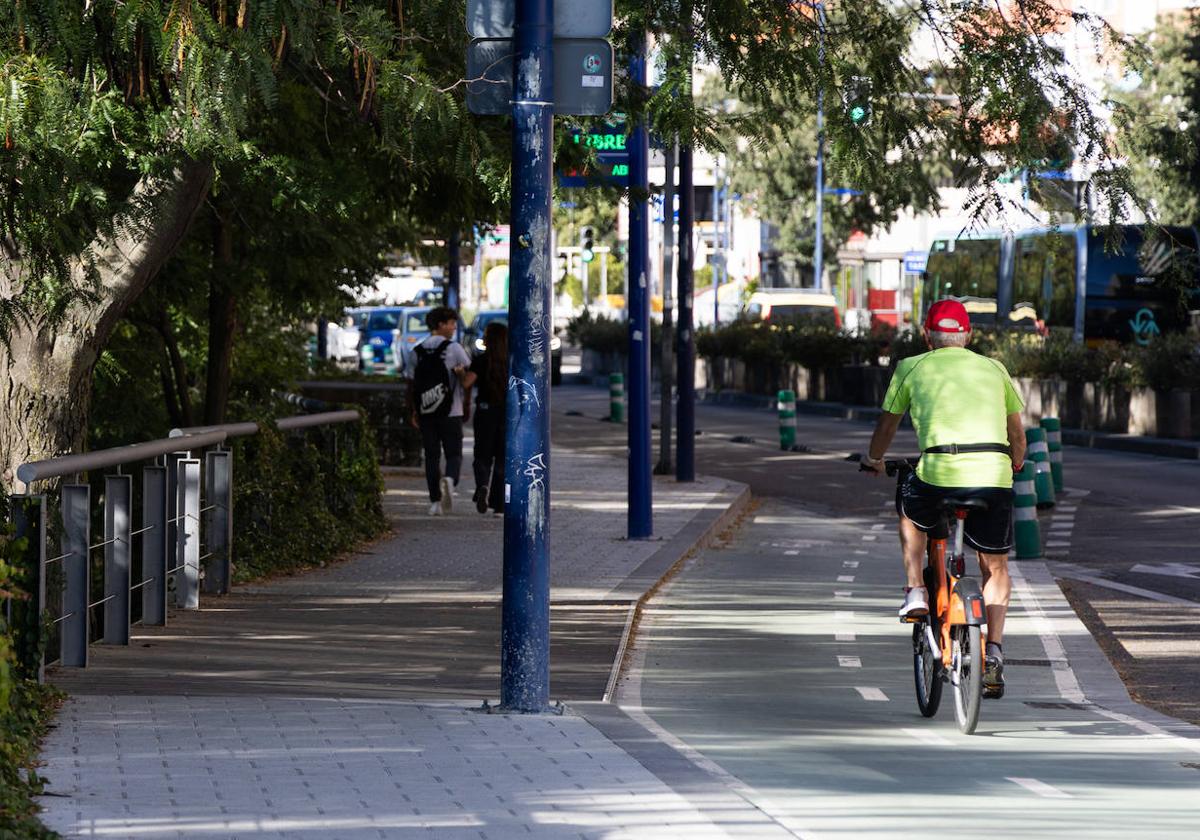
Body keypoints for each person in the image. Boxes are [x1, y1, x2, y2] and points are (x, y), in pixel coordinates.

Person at [860, 299, 1026, 698]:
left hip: (938, 474)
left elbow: (887, 424)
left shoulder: (912, 367)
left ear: (926, 336)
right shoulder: (995, 369)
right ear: (968, 336)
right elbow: (1018, 437)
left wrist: (875, 459)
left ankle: (916, 588)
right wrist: (1015, 462)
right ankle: (995, 652)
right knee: (996, 566)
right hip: (992, 478)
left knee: (910, 504)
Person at [410, 307, 474, 516]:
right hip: (451, 411)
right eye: (451, 323)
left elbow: (411, 384)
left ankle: (434, 502)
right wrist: (462, 375)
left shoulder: (417, 351)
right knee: (454, 454)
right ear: (440, 325)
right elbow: (466, 382)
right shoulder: (454, 349)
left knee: (431, 456)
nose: (454, 327)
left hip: (426, 412)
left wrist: (414, 411)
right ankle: (450, 479)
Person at [469, 322, 508, 515]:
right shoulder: (512, 361)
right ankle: (498, 505)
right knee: (502, 458)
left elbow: (468, 382)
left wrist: (460, 374)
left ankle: (482, 484)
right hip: (506, 414)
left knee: (482, 455)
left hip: (485, 411)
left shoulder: (480, 360)